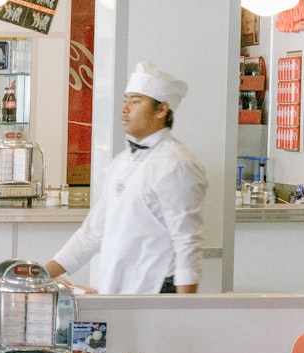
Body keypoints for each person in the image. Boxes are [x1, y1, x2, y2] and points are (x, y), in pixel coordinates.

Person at [44, 61, 208, 294]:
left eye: (136, 101)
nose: (125, 108)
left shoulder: (177, 163)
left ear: (161, 110)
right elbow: (92, 234)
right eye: (125, 100)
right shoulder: (121, 162)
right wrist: (40, 275)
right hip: (117, 289)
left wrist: (183, 308)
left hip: (156, 290)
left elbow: (187, 241)